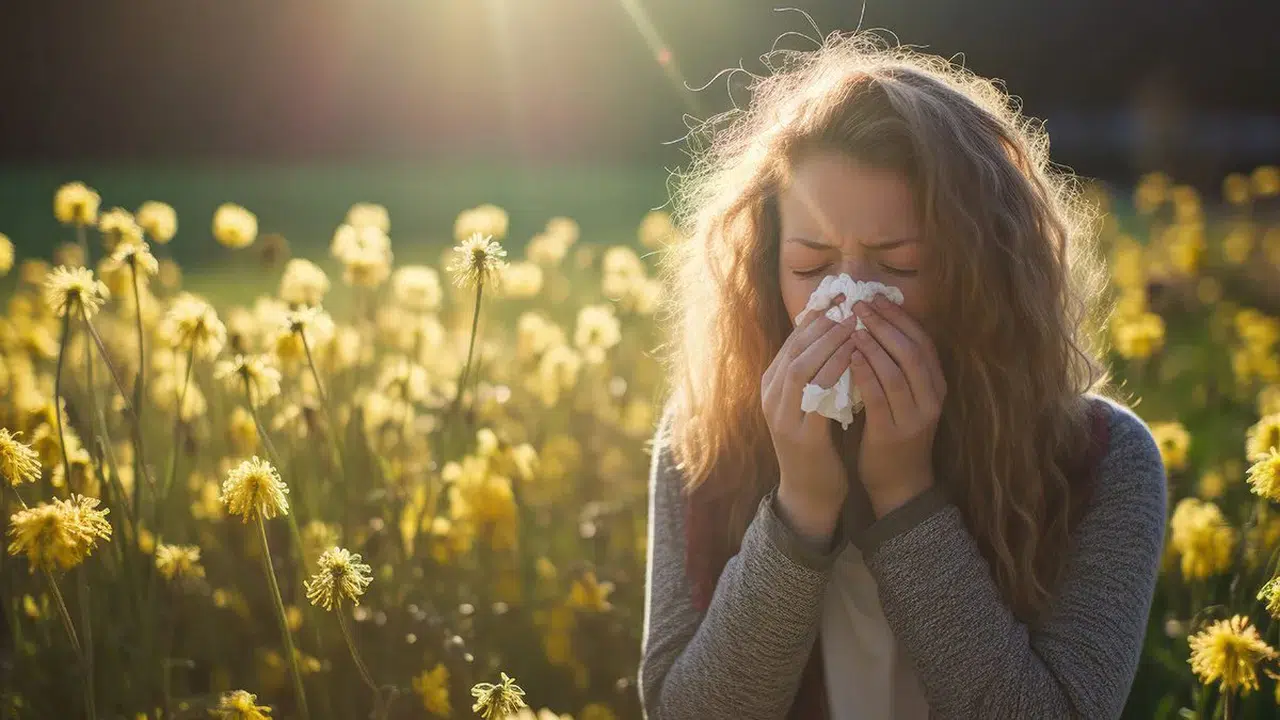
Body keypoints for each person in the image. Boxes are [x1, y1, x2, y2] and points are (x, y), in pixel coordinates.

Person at [637, 30, 1167, 720]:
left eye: (901, 267)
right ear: (768, 268)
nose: (849, 303)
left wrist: (905, 497)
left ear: (986, 275)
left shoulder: (1103, 460)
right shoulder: (703, 435)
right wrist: (799, 508)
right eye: (809, 266)